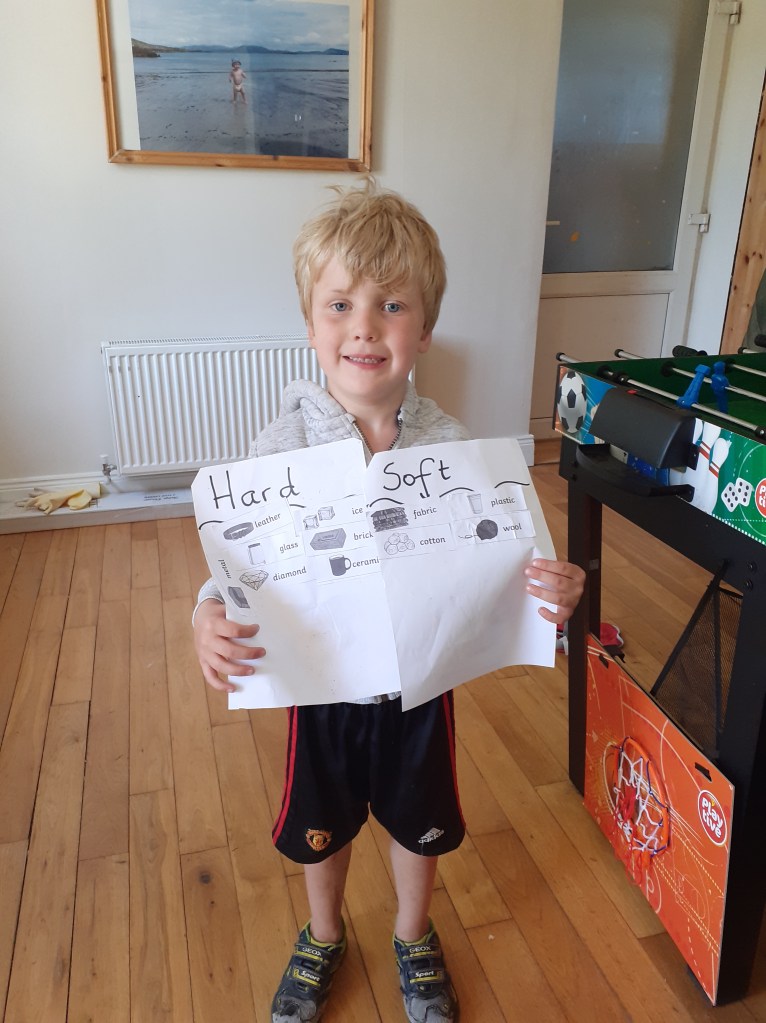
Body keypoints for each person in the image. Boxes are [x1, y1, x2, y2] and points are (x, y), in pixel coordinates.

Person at [192, 180, 585, 1023]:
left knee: (419, 820)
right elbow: (239, 562)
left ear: (425, 329)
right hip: (320, 687)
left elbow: (506, 563)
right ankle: (324, 932)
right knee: (320, 824)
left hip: (421, 684)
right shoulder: (278, 446)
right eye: (340, 305)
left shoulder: (454, 447)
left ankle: (412, 933)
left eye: (392, 305)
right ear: (311, 327)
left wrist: (553, 589)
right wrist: (206, 614)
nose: (364, 326)